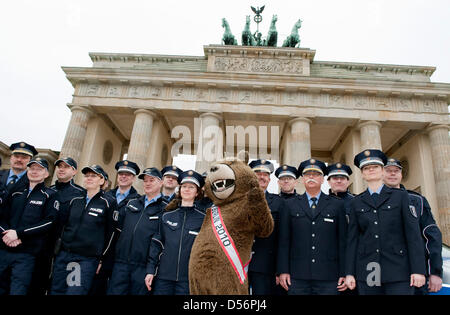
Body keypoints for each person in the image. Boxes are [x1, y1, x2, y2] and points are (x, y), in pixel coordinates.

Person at [345, 149, 426, 295]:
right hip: (369, 269)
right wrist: (349, 273)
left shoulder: (401, 197)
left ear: (383, 171)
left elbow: (413, 235)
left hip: (399, 269)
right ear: (362, 174)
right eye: (366, 168)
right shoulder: (356, 202)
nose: (371, 170)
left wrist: (418, 270)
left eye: (375, 167)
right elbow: (353, 240)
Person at [278, 158, 347, 295]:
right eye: (307, 174)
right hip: (297, 276)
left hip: (329, 276)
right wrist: (282, 270)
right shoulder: (289, 205)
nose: (311, 177)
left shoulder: (337, 205)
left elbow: (342, 241)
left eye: (315, 174)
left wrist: (345, 272)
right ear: (302, 179)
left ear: (322, 179)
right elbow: (284, 241)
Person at [50, 164, 118, 295]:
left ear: (102, 180)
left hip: (84, 259)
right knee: (56, 291)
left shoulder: (108, 202)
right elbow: (63, 226)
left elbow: (111, 234)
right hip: (64, 255)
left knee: (74, 291)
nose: (89, 178)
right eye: (87, 176)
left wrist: (102, 258)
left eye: (93, 176)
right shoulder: (75, 200)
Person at [383, 158, 443, 294]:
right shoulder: (372, 201)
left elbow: (431, 235)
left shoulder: (417, 200)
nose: (393, 174)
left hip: (416, 274)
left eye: (396, 171)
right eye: (388, 171)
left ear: (401, 174)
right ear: (381, 173)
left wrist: (435, 271)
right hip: (384, 276)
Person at [0, 157, 58, 295]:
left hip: (26, 254)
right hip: (4, 249)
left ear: (46, 174)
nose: (34, 171)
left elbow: (48, 222)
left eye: (39, 169)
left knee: (18, 290)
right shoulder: (15, 192)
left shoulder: (50, 195)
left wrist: (19, 234)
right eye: (32, 168)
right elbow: (2, 217)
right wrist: (7, 235)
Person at [28, 157, 85, 295]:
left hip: (63, 246)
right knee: (36, 282)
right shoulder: (48, 190)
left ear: (74, 171)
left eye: (66, 166)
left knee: (58, 286)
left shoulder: (80, 194)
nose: (61, 169)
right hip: (41, 244)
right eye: (59, 166)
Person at [107, 167, 167, 295]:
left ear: (161, 182)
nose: (148, 183)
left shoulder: (166, 210)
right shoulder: (131, 203)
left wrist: (152, 268)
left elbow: (161, 242)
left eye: (152, 180)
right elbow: (116, 232)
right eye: (145, 181)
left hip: (143, 267)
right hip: (121, 264)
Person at [145, 170, 205, 295]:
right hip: (163, 277)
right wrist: (151, 270)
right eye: (184, 186)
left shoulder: (204, 219)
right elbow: (157, 244)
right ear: (179, 189)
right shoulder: (167, 216)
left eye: (191, 187)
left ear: (197, 192)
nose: (187, 190)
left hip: (188, 280)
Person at [90, 160, 141, 295]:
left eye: (128, 175)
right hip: (100, 250)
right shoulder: (105, 196)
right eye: (121, 174)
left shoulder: (138, 201)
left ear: (133, 178)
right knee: (95, 288)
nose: (123, 177)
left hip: (122, 254)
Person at [247, 159, 285, 295]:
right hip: (239, 262)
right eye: (257, 173)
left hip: (265, 265)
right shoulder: (239, 200)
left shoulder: (279, 203)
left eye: (265, 174)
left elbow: (282, 239)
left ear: (269, 179)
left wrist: (279, 269)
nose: (261, 177)